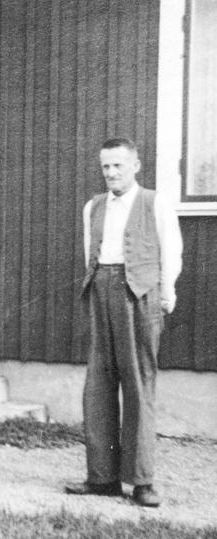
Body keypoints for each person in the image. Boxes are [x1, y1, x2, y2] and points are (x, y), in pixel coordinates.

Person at [66, 138, 183, 507]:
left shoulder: (154, 203)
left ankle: (142, 481)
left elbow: (171, 250)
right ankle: (102, 478)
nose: (111, 173)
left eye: (118, 165)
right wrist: (96, 287)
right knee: (98, 384)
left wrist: (166, 291)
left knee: (138, 383)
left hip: (140, 292)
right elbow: (91, 252)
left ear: (135, 165)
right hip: (101, 287)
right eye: (106, 166)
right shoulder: (94, 206)